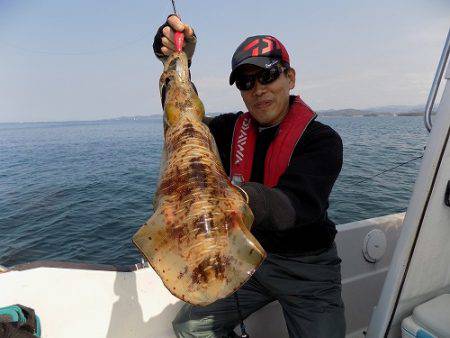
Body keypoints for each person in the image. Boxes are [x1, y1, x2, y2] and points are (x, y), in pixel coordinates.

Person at [153, 15, 346, 338]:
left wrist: (235, 197)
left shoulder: (321, 141)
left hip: (308, 269)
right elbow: (183, 120)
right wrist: (177, 62)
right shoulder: (228, 130)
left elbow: (296, 205)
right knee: (190, 327)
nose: (259, 90)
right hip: (246, 259)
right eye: (246, 82)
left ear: (290, 77)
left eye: (268, 75)